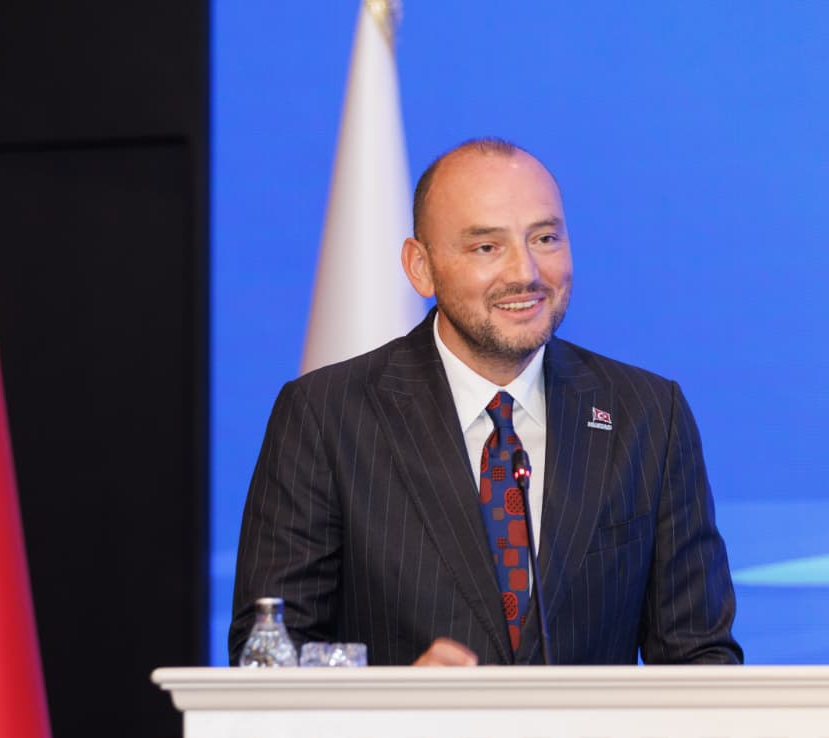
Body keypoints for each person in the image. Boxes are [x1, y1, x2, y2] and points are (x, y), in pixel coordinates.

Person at [229, 138, 740, 667]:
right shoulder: (326, 417)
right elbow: (267, 653)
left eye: (545, 238)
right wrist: (390, 697)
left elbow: (700, 656)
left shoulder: (648, 416)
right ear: (420, 267)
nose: (526, 273)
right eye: (487, 248)